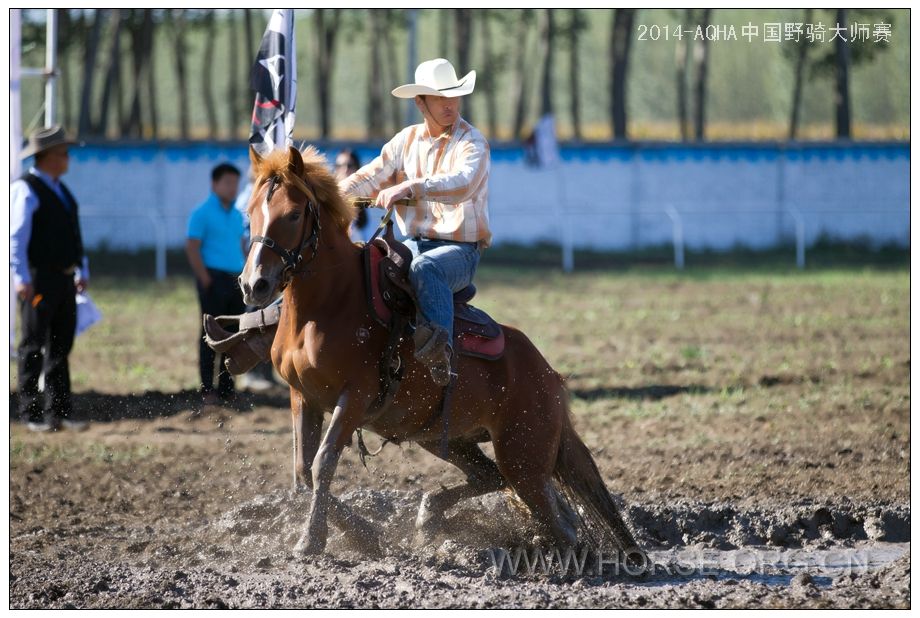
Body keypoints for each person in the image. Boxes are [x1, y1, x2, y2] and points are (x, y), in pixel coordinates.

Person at [339, 58, 491, 386]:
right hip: (411, 244)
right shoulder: (404, 141)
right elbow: (371, 175)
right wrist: (332, 196)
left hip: (460, 251)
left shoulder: (473, 142)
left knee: (426, 269)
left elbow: (463, 183)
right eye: (440, 97)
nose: (450, 103)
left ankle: (441, 359)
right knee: (364, 265)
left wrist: (410, 186)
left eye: (453, 95)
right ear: (420, 102)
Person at [10, 125, 90, 432]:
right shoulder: (26, 189)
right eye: (63, 153)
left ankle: (59, 409)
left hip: (64, 279)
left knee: (60, 345)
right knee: (33, 344)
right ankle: (30, 412)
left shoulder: (61, 190)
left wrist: (82, 268)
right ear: (47, 157)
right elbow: (16, 238)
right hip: (39, 278)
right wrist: (20, 276)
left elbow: (72, 233)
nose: (68, 158)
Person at [186, 163, 247, 405]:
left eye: (235, 183)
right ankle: (206, 388)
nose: (233, 188)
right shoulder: (201, 213)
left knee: (233, 336)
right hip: (213, 279)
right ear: (215, 184)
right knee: (210, 334)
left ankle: (227, 388)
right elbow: (192, 247)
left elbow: (240, 246)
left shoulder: (236, 215)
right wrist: (205, 278)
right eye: (228, 182)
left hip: (235, 279)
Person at [334, 149, 368, 242]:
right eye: (339, 166)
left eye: (349, 165)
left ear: (357, 168)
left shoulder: (367, 198)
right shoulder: (328, 201)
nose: (344, 170)